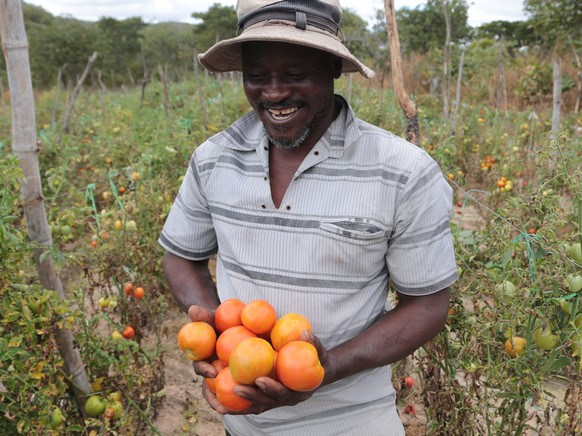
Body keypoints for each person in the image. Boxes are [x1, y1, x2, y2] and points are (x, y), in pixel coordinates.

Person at [159, 0, 458, 434]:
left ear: (332, 68)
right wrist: (221, 337)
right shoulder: (212, 159)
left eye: (295, 74)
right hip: (239, 422)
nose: (275, 93)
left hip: (353, 423)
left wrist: (327, 366)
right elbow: (181, 255)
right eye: (257, 77)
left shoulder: (403, 171)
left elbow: (428, 304)